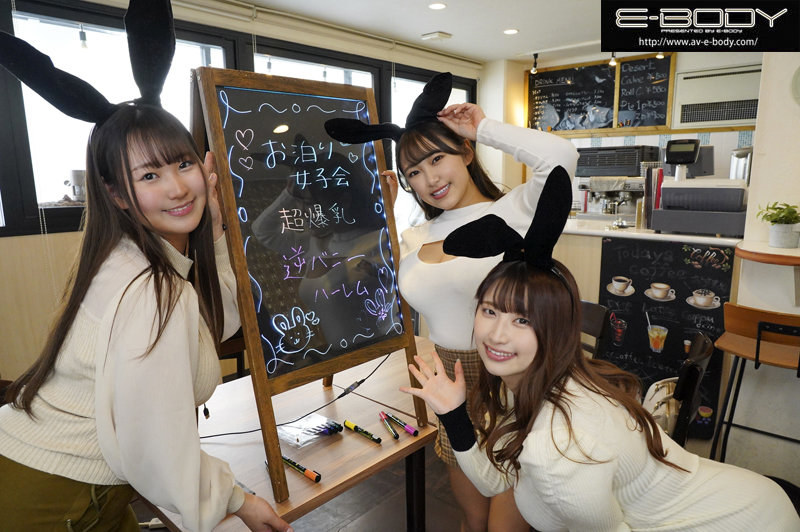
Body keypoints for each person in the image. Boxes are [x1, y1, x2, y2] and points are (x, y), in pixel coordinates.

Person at [0, 2, 291, 531]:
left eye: (183, 163)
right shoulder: (149, 288)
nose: (178, 187)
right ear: (116, 193)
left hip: (54, 475)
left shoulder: (122, 257)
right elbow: (155, 444)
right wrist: (238, 500)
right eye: (150, 175)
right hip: (55, 497)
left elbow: (212, 323)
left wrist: (217, 231)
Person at [400, 170, 800, 531]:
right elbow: (496, 481)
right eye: (490, 311)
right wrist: (453, 414)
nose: (496, 335)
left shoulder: (560, 450)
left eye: (522, 320)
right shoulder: (531, 385)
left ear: (556, 328)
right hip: (736, 492)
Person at [325, 72, 578, 532]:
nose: (429, 180)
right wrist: (379, 212)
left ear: (465, 151)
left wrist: (483, 128)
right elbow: (361, 276)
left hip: (514, 385)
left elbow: (562, 157)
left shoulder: (517, 209)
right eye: (413, 173)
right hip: (449, 388)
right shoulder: (417, 234)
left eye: (436, 158)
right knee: (472, 520)